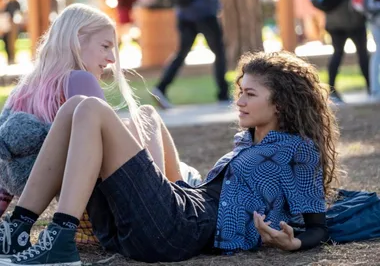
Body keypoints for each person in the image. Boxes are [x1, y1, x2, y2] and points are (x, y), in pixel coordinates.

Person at [0, 50, 339, 265]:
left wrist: (292, 242)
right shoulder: (246, 143)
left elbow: (316, 227)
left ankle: (59, 238)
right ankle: (19, 228)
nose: (240, 101)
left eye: (250, 94)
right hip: (163, 220)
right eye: (240, 92)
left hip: (180, 231)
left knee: (90, 107)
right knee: (76, 107)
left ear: (279, 103)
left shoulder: (298, 152)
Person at [0, 3, 188, 250]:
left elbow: (5, 168)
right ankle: (168, 197)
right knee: (146, 115)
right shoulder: (80, 81)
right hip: (111, 211)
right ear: (78, 41)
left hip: (82, 225)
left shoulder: (22, 92)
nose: (111, 59)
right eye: (106, 46)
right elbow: (108, 149)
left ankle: (178, 189)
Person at [153, 0, 229, 109]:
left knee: (182, 52)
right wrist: (216, 5)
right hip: (204, 12)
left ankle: (161, 87)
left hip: (183, 12)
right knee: (219, 51)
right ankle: (223, 94)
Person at [325, 0, 370, 103]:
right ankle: (371, 87)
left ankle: (331, 89)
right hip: (353, 18)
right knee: (362, 53)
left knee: (337, 53)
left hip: (333, 19)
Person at [2, 0, 21, 65]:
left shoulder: (17, 3)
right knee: (6, 41)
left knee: (12, 42)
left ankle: (12, 58)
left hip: (13, 24)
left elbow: (19, 13)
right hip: (6, 24)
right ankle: (9, 58)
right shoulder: (6, 2)